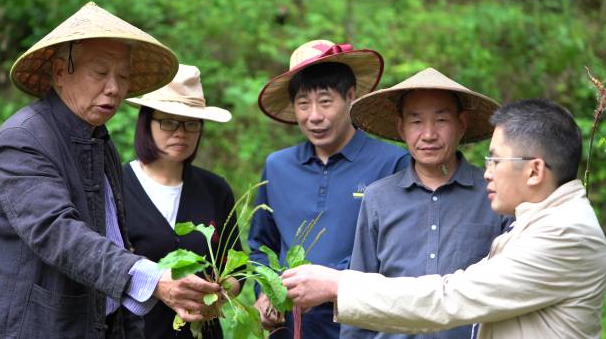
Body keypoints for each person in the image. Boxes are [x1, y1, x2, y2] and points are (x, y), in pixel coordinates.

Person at [0, 2, 220, 339]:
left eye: (123, 76)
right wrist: (153, 278)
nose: (114, 88)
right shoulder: (22, 139)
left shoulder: (99, 142)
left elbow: (116, 240)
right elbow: (57, 231)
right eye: (100, 73)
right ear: (60, 72)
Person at [281, 98, 606, 339]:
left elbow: (450, 296)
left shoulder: (564, 233)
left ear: (534, 170)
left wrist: (337, 284)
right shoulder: (537, 223)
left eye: (495, 160)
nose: (488, 173)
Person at [249, 39, 410, 339]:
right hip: (291, 328)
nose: (314, 116)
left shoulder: (391, 163)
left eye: (325, 101)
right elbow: (261, 244)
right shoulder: (277, 166)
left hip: (363, 327)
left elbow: (399, 253)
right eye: (303, 103)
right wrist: (265, 289)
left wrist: (329, 285)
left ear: (350, 96)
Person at [342, 67, 512, 339]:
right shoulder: (378, 198)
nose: (429, 134)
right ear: (401, 127)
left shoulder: (496, 194)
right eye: (416, 122)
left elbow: (511, 288)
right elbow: (358, 295)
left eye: (441, 120)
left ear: (462, 124)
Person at [122, 64, 240, 339]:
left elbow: (238, 272)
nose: (180, 132)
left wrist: (219, 293)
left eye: (191, 123)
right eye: (168, 121)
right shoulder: (116, 186)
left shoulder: (215, 189)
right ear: (146, 123)